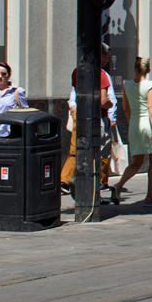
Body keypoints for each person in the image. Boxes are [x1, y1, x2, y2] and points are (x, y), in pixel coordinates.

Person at [113, 58, 152, 206]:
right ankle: (150, 195)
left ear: (135, 70)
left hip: (134, 124)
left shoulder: (127, 85)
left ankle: (118, 185)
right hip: (147, 124)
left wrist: (131, 122)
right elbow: (151, 107)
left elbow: (125, 108)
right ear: (148, 70)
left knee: (136, 162)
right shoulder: (150, 85)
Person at [60, 62, 115, 200]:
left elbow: (76, 93)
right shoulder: (101, 74)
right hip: (98, 118)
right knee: (98, 157)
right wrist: (111, 104)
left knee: (81, 152)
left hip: (81, 118)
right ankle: (95, 191)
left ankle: (81, 186)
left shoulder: (76, 72)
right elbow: (103, 101)